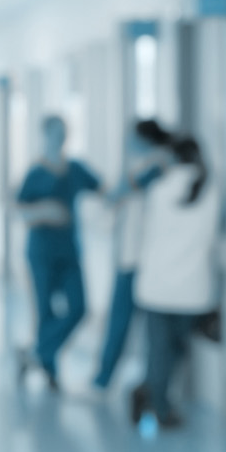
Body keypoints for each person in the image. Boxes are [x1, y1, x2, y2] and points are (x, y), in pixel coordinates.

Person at [132, 132, 221, 430]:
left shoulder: (158, 188)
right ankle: (157, 402)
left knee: (158, 350)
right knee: (176, 351)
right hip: (191, 290)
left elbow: (147, 233)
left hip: (156, 286)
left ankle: (153, 401)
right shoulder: (209, 191)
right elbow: (210, 238)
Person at [15, 114, 101, 391]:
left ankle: (35, 355)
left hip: (69, 252)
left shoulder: (75, 169)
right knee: (45, 313)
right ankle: (50, 371)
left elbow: (105, 189)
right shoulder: (35, 173)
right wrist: (45, 211)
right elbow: (19, 210)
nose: (60, 138)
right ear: (44, 135)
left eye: (64, 132)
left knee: (79, 308)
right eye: (54, 132)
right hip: (40, 252)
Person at [92, 120, 172, 392]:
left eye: (130, 137)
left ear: (143, 138)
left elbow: (117, 194)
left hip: (140, 260)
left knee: (123, 323)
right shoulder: (142, 166)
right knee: (124, 324)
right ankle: (107, 379)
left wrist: (117, 192)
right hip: (131, 257)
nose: (126, 143)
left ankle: (105, 381)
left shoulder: (158, 164)